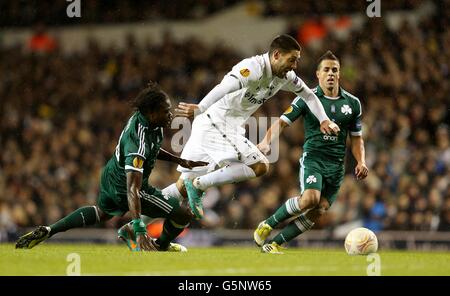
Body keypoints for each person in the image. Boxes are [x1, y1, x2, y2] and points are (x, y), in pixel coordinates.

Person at [156, 35, 340, 221]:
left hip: (215, 125)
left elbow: (309, 95)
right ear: (276, 55)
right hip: (217, 124)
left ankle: (134, 225)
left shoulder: (285, 77)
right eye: (291, 60)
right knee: (259, 165)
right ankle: (199, 185)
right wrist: (201, 106)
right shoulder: (252, 68)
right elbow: (224, 87)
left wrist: (323, 119)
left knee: (181, 187)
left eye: (296, 61)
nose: (294, 66)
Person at [15, 82, 206, 252]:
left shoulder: (149, 121)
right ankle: (160, 245)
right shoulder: (137, 142)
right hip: (127, 186)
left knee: (102, 213)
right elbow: (133, 188)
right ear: (152, 112)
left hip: (112, 176)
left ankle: (50, 230)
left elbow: (152, 149)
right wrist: (139, 227)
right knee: (184, 214)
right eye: (166, 111)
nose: (170, 114)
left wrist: (179, 161)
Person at [253, 51, 369, 254]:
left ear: (340, 74)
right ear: (318, 74)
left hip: (337, 166)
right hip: (314, 158)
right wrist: (265, 142)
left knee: (319, 210)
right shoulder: (307, 98)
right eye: (326, 69)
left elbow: (357, 138)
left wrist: (361, 161)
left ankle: (275, 243)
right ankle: (268, 224)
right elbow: (282, 122)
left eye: (335, 70)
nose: (331, 73)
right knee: (309, 199)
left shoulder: (352, 103)